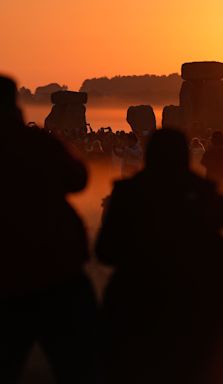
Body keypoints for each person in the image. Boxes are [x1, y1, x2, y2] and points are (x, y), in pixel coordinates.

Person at [96, 129, 223, 384]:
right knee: (197, 368)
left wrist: (138, 260)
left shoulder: (129, 194)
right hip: (197, 297)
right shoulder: (201, 193)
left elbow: (104, 251)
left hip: (138, 297)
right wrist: (216, 257)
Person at [0, 76, 97, 384]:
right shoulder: (37, 142)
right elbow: (78, 178)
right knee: (79, 365)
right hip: (57, 271)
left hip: (5, 273)